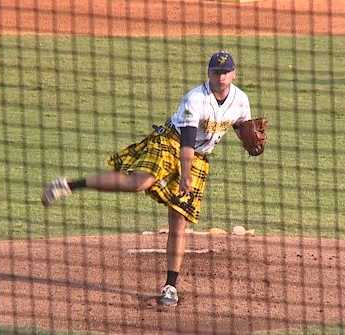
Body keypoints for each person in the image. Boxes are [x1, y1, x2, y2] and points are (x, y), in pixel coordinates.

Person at [41, 50, 256, 306]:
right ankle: (68, 185)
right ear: (208, 73)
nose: (221, 77)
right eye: (216, 72)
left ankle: (170, 287)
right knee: (140, 182)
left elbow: (241, 126)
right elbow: (186, 145)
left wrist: (251, 142)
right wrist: (184, 176)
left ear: (234, 73)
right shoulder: (195, 99)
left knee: (180, 219)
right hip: (171, 142)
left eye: (225, 72)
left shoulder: (241, 100)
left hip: (200, 157)